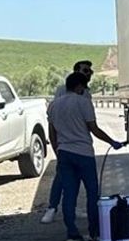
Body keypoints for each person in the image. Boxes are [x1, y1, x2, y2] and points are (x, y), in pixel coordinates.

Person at [48, 72, 124, 241]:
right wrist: (112, 141)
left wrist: (57, 151)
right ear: (79, 86)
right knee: (91, 193)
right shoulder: (83, 102)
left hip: (64, 154)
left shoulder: (53, 105)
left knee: (69, 194)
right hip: (84, 154)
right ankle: (94, 233)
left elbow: (51, 132)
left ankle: (72, 234)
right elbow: (93, 128)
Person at [40, 60, 95, 224]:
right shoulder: (62, 91)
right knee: (62, 178)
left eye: (90, 71)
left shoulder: (86, 93)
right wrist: (56, 146)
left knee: (72, 183)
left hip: (74, 145)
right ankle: (52, 207)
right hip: (68, 144)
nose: (89, 73)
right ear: (77, 72)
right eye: (86, 71)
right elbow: (58, 119)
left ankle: (70, 212)